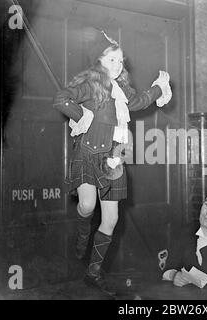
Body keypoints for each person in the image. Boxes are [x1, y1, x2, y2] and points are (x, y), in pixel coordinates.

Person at [52, 27, 171, 292]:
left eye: (120, 60)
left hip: (113, 159)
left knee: (111, 219)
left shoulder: (122, 90)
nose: (117, 65)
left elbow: (139, 101)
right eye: (111, 60)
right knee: (86, 205)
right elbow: (61, 99)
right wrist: (81, 116)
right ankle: (83, 231)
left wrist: (158, 88)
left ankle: (93, 272)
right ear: (99, 62)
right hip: (88, 154)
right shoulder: (91, 85)